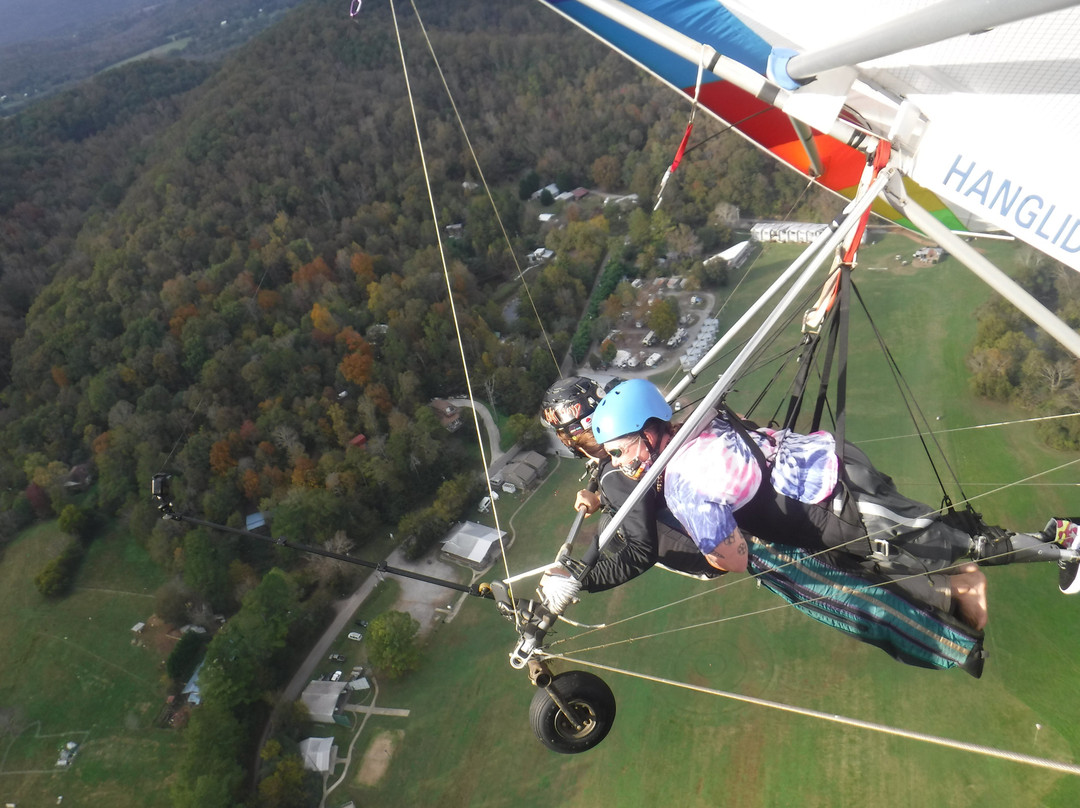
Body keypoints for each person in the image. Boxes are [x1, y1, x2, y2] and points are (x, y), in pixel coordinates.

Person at [586, 378, 1080, 672]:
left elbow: (732, 559)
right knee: (926, 552)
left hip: (843, 510)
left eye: (621, 449)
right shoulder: (697, 415)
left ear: (650, 432)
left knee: (963, 545)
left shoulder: (682, 486)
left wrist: (710, 547)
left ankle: (1067, 541)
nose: (620, 462)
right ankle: (1036, 552)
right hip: (838, 465)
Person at [537, 376, 722, 613]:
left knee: (609, 526)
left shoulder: (613, 476)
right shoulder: (633, 442)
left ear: (568, 439)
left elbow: (641, 552)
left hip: (709, 553)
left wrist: (578, 580)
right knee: (611, 517)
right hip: (709, 516)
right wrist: (602, 497)